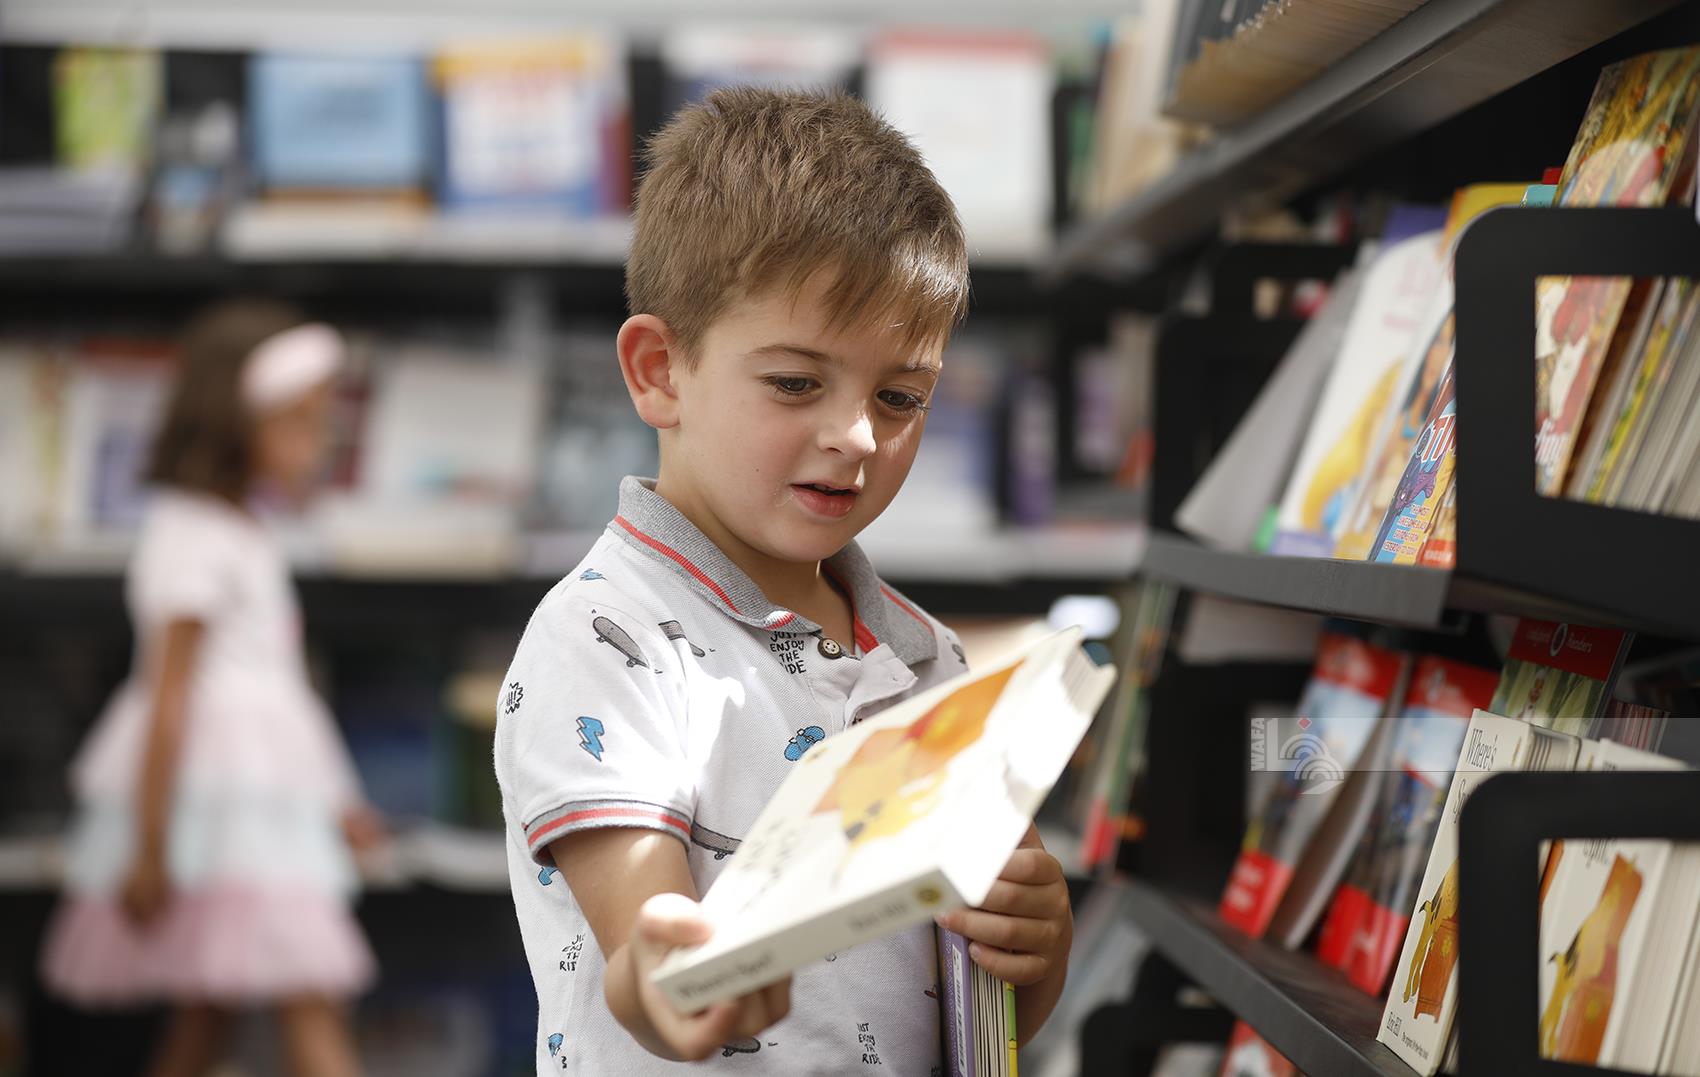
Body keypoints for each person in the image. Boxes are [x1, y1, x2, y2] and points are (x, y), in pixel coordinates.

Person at [492, 88, 1074, 1076]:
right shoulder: (602, 636)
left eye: (899, 397)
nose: (855, 435)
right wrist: (677, 972)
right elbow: (641, 943)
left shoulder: (927, 657)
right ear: (658, 371)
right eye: (797, 383)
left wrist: (1034, 947)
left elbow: (975, 1009)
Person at [40, 300, 382, 1077]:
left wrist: (337, 802)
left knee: (210, 1013)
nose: (318, 442)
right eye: (299, 421)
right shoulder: (190, 533)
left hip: (258, 813)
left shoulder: (242, 531)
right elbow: (166, 698)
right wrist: (151, 846)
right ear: (236, 421)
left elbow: (284, 695)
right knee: (307, 995)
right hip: (213, 819)